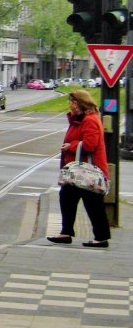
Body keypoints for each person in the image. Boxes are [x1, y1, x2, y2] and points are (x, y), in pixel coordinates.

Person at [48, 89, 110, 248]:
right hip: (77, 172)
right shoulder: (79, 120)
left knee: (93, 204)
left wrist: (71, 146)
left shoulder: (90, 120)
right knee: (66, 197)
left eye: (74, 102)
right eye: (70, 102)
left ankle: (101, 238)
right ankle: (66, 232)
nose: (71, 105)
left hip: (88, 172)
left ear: (83, 103)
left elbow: (90, 145)